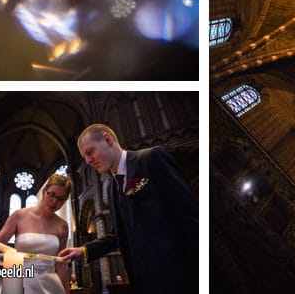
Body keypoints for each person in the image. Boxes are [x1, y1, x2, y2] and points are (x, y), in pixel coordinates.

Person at [58, 124, 198, 293]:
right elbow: (118, 234)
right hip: (144, 283)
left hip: (180, 277)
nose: (87, 161)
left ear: (108, 140)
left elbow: (190, 216)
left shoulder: (150, 159)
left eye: (90, 152)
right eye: (84, 157)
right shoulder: (111, 188)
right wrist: (83, 250)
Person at [0, 173, 72, 294]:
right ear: (44, 191)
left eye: (60, 199)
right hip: (18, 281)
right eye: (51, 194)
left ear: (64, 201)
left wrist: (67, 291)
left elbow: (61, 263)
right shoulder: (20, 215)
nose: (54, 202)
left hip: (50, 284)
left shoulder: (62, 225)